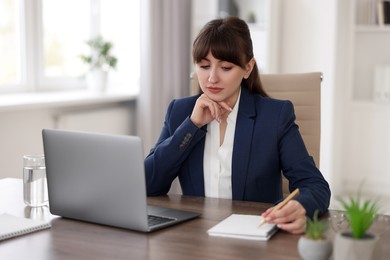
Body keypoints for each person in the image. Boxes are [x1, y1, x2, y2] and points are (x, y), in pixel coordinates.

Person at [144, 16, 330, 234]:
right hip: (194, 237)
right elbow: (148, 184)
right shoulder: (180, 112)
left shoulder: (275, 116)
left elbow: (315, 185)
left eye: (225, 67)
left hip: (253, 236)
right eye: (204, 66)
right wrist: (192, 125)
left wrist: (301, 207)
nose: (212, 78)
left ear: (248, 68)